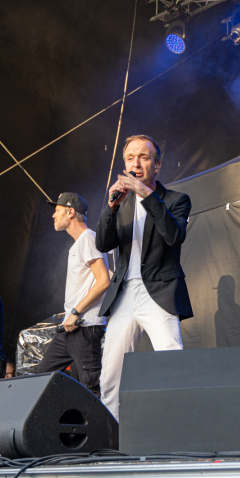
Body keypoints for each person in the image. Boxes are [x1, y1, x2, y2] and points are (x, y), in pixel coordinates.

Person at [96, 135, 193, 420]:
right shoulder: (122, 203)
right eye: (130, 158)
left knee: (171, 358)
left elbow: (174, 236)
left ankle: (179, 426)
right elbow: (103, 244)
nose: (135, 163)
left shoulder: (176, 200)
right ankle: (110, 436)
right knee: (111, 372)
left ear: (157, 164)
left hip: (158, 293)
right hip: (124, 294)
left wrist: (146, 194)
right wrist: (111, 208)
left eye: (144, 157)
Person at [34, 192, 110, 397]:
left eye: (57, 211)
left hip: (85, 327)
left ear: (70, 212)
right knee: (42, 377)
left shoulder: (88, 238)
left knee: (91, 386)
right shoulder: (80, 243)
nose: (53, 215)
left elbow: (104, 281)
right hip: (70, 330)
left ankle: (103, 428)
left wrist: (76, 311)